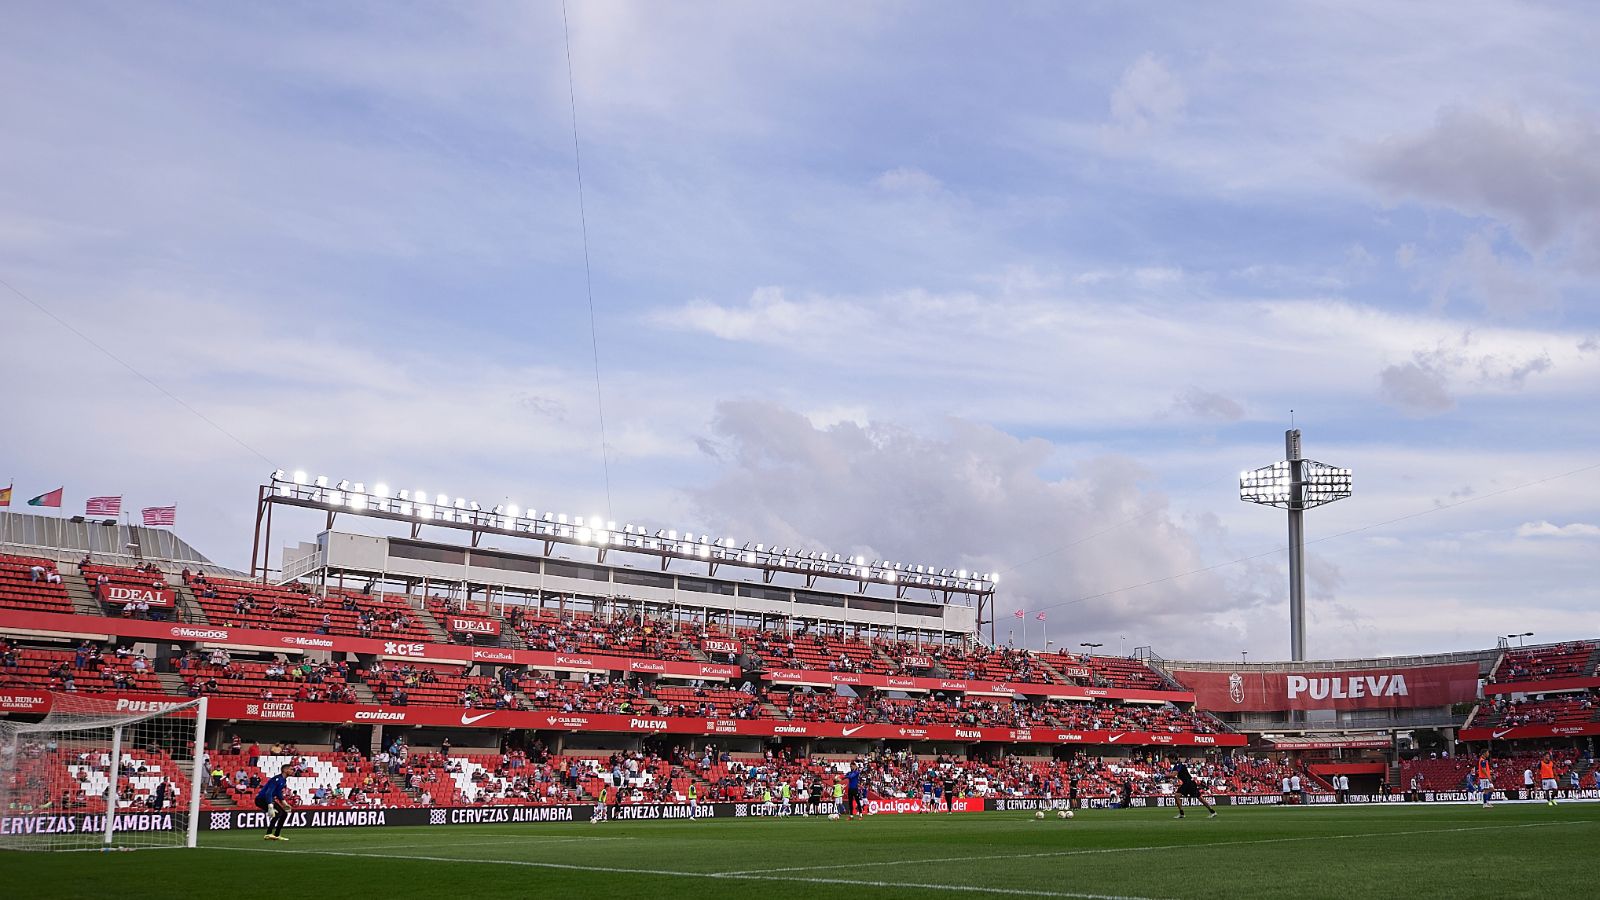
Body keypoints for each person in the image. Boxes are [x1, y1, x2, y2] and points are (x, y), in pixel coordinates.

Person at [256, 763, 295, 841]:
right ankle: (268, 834)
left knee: (284, 814)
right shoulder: (276, 779)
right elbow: (268, 793)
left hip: (269, 799)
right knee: (277, 813)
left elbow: (278, 793)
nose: (292, 771)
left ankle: (276, 835)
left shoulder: (283, 780)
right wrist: (270, 806)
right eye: (291, 769)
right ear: (285, 770)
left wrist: (285, 804)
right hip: (261, 799)